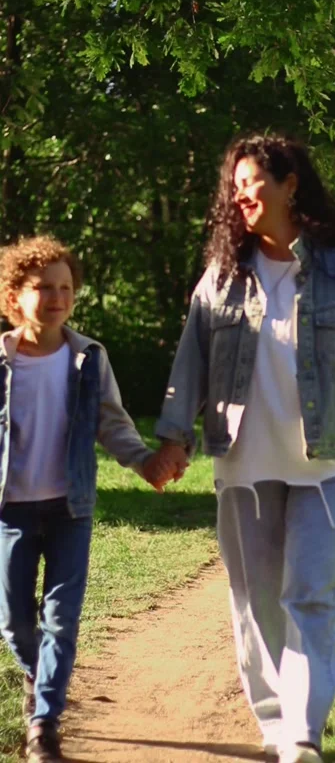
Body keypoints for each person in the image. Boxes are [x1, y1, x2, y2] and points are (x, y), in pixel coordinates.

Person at [146, 133, 335, 763]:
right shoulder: (222, 277)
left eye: (253, 182)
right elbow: (192, 362)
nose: (242, 196)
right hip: (244, 459)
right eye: (234, 187)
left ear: (290, 185)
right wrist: (174, 437)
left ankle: (303, 733)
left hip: (329, 458)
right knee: (256, 597)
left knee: (311, 591)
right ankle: (274, 720)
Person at [0, 236, 169, 763]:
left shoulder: (88, 357)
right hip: (10, 509)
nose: (56, 297)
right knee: (13, 620)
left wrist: (143, 460)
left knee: (62, 617)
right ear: (12, 296)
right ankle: (38, 676)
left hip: (71, 506)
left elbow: (111, 422)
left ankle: (44, 725)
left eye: (65, 288)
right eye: (42, 288)